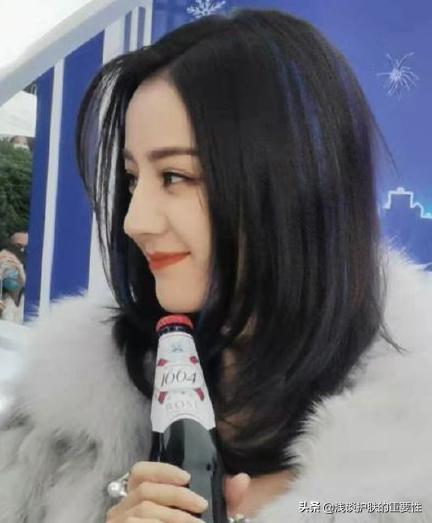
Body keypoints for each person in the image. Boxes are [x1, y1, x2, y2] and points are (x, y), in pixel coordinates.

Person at [0, 8, 431, 523]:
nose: (134, 220)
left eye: (175, 176)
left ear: (291, 185)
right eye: (133, 179)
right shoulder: (65, 410)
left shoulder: (411, 450)